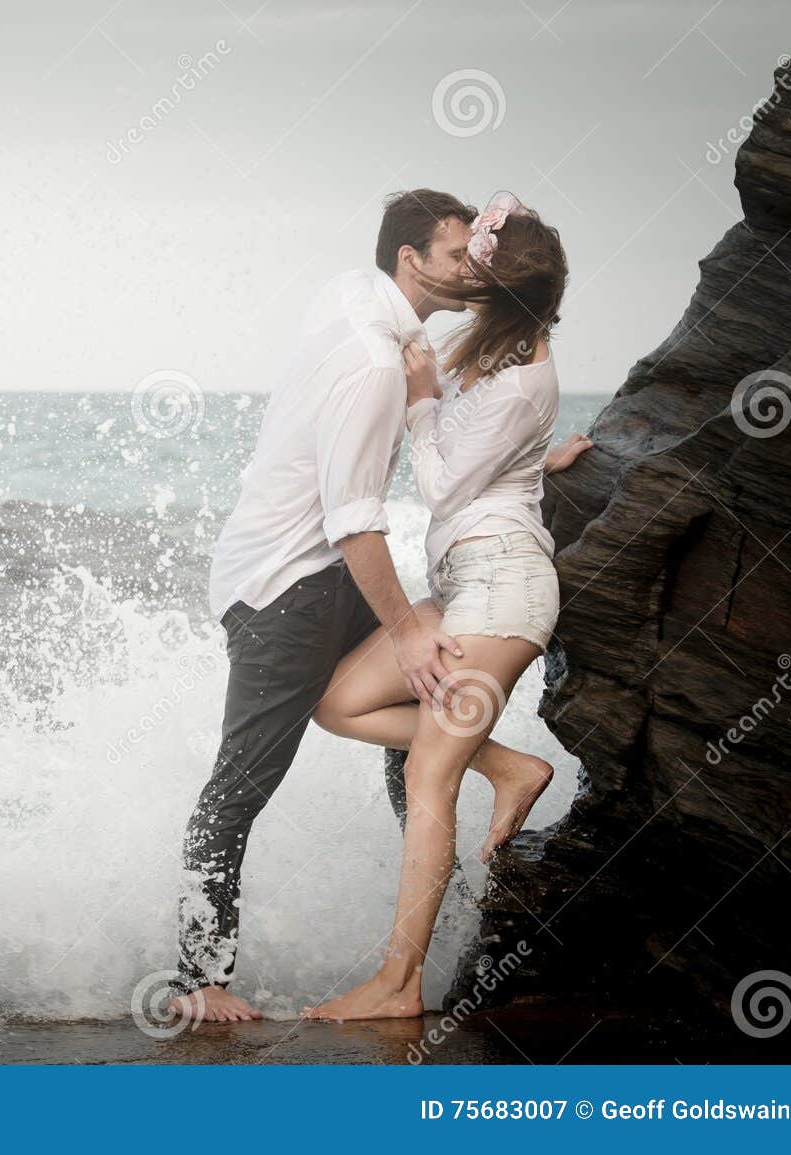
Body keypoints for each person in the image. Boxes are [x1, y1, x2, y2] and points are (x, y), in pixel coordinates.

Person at [170, 190, 480, 1024]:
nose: (471, 270)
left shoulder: (353, 292)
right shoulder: (374, 362)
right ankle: (198, 978)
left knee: (416, 710)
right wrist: (409, 630)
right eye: (457, 257)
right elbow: (353, 521)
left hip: (328, 574)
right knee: (241, 783)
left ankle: (434, 930)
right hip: (282, 586)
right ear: (410, 260)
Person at [302, 191, 590, 1022]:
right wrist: (544, 457)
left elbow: (436, 478)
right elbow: (501, 450)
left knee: (430, 773)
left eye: (477, 267)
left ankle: (398, 985)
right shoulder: (507, 349)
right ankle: (511, 766)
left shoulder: (516, 375)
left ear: (502, 294)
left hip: (503, 591)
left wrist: (423, 393)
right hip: (468, 582)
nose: (464, 271)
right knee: (338, 700)